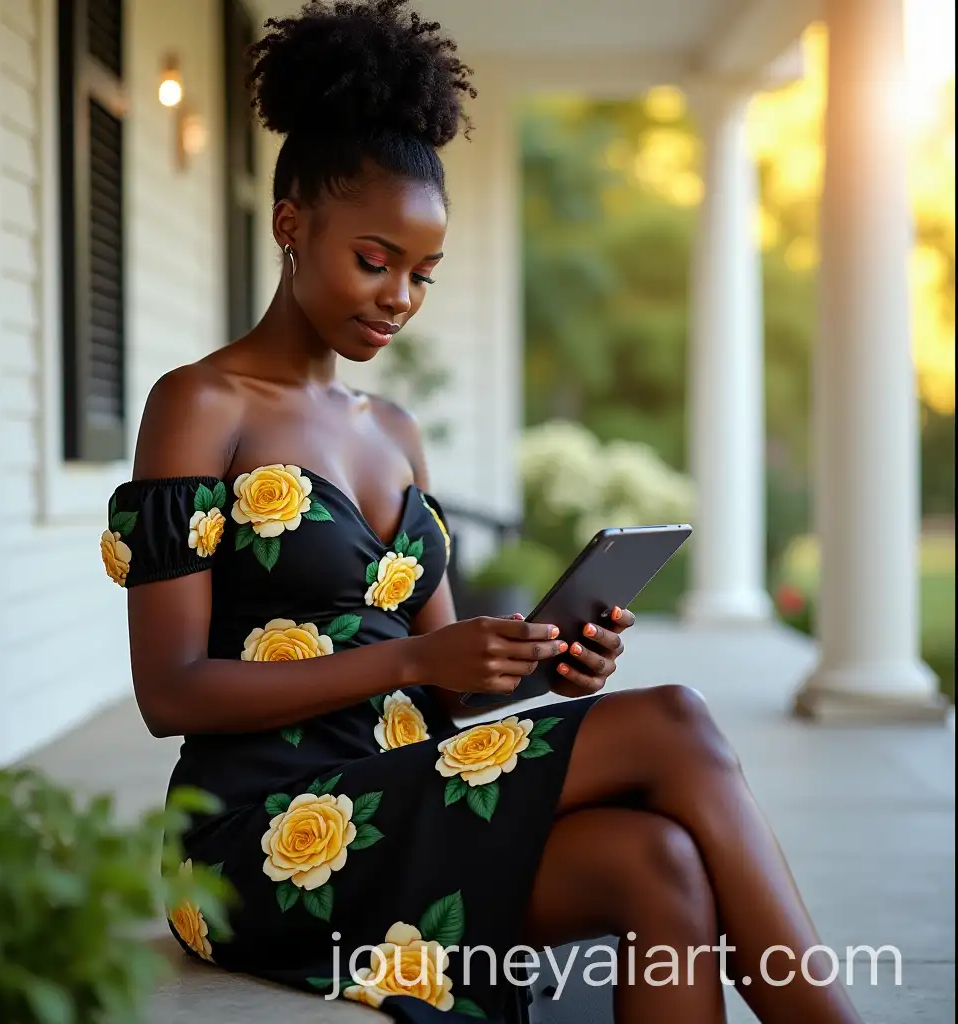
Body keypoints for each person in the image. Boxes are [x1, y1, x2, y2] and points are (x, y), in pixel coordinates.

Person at [101, 2, 866, 1022]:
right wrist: (417, 663)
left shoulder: (395, 429)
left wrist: (539, 663)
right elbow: (171, 692)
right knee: (677, 724)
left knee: (659, 862)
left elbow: (449, 686)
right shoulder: (202, 405)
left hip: (406, 785)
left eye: (422, 273)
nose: (397, 297)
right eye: (374, 259)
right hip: (259, 840)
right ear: (292, 223)